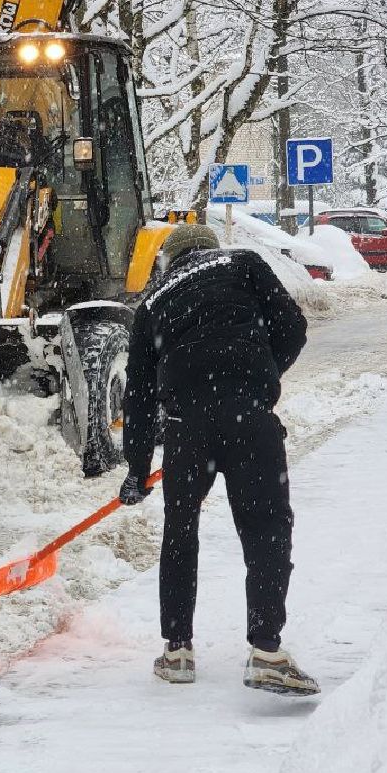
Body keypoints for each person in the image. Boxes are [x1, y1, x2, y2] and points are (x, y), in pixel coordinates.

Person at [118, 223, 319, 697]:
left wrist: (137, 469)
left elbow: (139, 396)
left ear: (169, 262)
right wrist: (258, 374)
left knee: (180, 530)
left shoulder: (152, 301)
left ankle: (177, 651)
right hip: (250, 419)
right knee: (266, 528)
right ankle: (266, 651)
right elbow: (293, 328)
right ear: (211, 248)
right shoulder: (242, 263)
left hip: (187, 428)